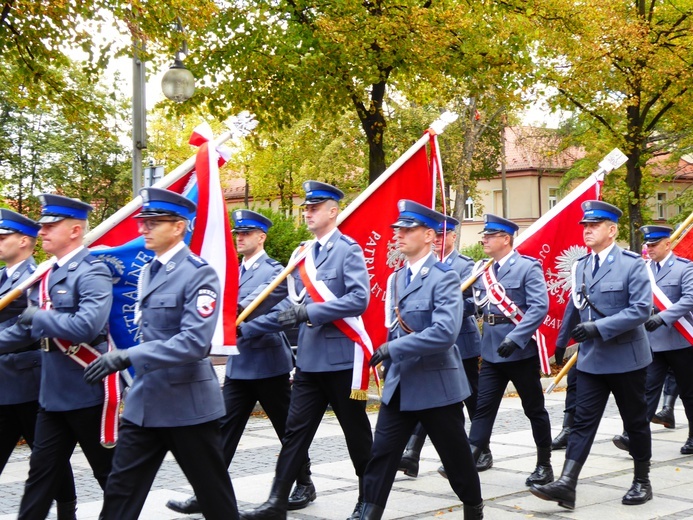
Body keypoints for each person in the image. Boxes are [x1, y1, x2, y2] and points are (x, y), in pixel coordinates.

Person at [84, 188, 238, 520]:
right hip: (145, 405)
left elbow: (194, 343)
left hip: (187, 407)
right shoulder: (148, 272)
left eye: (154, 223)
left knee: (215, 498)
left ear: (179, 226)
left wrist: (129, 355)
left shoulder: (199, 273)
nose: (143, 229)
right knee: (120, 494)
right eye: (144, 222)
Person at [165, 209, 316, 515]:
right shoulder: (232, 272)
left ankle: (304, 483)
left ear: (262, 237)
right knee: (222, 430)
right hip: (239, 366)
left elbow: (280, 314)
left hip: (267, 364)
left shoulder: (276, 270)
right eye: (237, 234)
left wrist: (245, 328)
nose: (240, 238)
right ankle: (206, 492)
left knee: (287, 429)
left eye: (246, 233)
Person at [239, 181, 373, 520]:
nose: (308, 212)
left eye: (315, 208)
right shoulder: (302, 253)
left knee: (356, 434)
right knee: (295, 434)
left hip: (342, 361)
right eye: (306, 208)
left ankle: (368, 500)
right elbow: (288, 303)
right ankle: (275, 502)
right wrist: (244, 328)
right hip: (310, 363)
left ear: (333, 211)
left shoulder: (348, 249)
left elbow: (359, 299)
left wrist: (310, 313)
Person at [359, 200, 483, 520]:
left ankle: (474, 506)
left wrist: (394, 350)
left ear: (429, 235)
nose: (399, 234)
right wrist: (386, 353)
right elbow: (392, 327)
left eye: (408, 229)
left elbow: (444, 333)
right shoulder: (396, 279)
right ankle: (367, 512)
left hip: (436, 384)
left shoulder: (444, 277)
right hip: (401, 383)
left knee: (455, 456)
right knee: (382, 453)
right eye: (397, 229)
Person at [530, 200, 653, 509]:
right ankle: (567, 483)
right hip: (591, 360)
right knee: (582, 422)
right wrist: (561, 341)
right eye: (584, 226)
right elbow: (575, 306)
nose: (586, 231)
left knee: (635, 422)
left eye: (594, 226)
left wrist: (598, 328)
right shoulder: (582, 265)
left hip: (626, 359)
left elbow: (640, 309)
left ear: (611, 231)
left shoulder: (632, 263)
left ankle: (642, 480)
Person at [1, 195, 114, 520]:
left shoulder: (93, 271)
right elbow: (25, 333)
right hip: (51, 396)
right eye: (43, 225)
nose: (43, 232)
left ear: (76, 230)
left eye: (51, 226)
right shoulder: (46, 275)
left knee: (109, 476)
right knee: (40, 478)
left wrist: (38, 317)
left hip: (86, 390)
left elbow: (85, 325)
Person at [0, 209, 78, 520]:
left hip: (29, 383)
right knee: (48, 457)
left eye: (3, 237)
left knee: (49, 457)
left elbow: (28, 327)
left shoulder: (37, 277)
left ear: (24, 241)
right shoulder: (3, 277)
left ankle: (66, 511)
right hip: (4, 384)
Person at [466, 214, 553, 486]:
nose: (484, 239)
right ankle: (467, 461)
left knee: (534, 409)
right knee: (483, 408)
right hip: (491, 350)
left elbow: (539, 306)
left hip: (520, 352)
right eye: (484, 235)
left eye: (490, 236)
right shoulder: (483, 270)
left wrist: (516, 338)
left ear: (505, 239)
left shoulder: (527, 267)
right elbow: (475, 304)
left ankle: (544, 464)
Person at [397, 216, 484, 478]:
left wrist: (449, 305)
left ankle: (481, 445)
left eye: (444, 235)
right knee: (430, 400)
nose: (439, 239)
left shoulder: (464, 265)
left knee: (472, 398)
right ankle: (412, 452)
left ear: (453, 237)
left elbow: (476, 303)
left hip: (461, 342)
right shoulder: (414, 267)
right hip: (427, 345)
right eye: (436, 234)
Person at [611, 225, 693, 455]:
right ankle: (633, 436)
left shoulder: (684, 268)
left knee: (689, 392)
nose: (649, 249)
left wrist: (663, 318)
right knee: (646, 391)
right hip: (652, 343)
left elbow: (689, 299)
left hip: (681, 341)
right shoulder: (644, 270)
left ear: (668, 244)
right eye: (648, 245)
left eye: (654, 244)